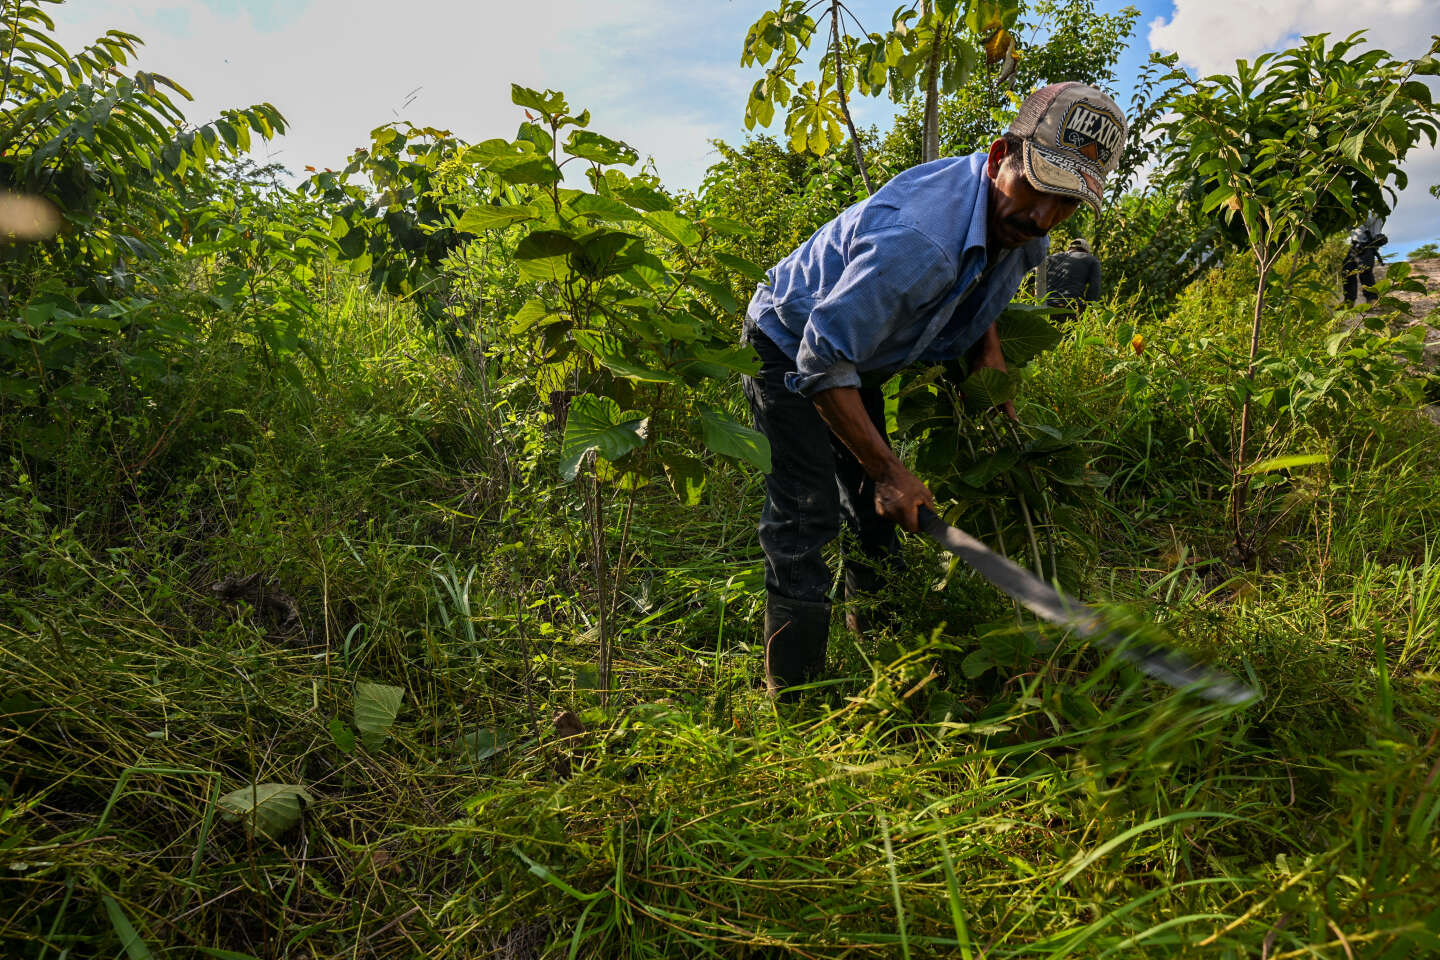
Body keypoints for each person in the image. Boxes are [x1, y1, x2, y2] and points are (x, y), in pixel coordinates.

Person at [740, 82, 1129, 699]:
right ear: (1002, 154)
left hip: (854, 355)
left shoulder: (1021, 224)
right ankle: (796, 700)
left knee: (872, 510)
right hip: (791, 341)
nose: (1044, 218)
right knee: (807, 508)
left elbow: (982, 278)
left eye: (1067, 204)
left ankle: (888, 656)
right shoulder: (919, 242)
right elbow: (821, 357)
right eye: (1039, 189)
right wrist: (893, 470)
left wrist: (988, 351)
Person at [1040, 237, 1102, 321]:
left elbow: (1030, 278)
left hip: (1046, 307)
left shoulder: (1051, 258)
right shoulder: (1092, 260)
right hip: (1070, 309)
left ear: (1069, 248)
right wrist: (1089, 310)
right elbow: (1094, 287)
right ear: (1086, 251)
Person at [1343, 214, 1386, 305]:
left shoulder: (1376, 213)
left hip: (1367, 245)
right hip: (1355, 246)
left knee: (1365, 271)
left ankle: (1372, 300)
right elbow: (1348, 228)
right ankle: (1349, 301)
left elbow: (1370, 224)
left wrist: (1379, 238)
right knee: (1347, 270)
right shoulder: (1354, 211)